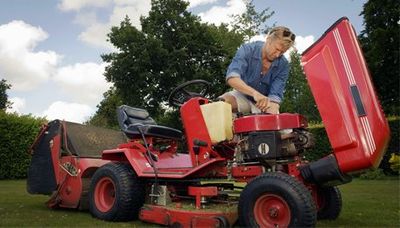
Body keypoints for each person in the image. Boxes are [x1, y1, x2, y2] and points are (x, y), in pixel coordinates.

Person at [220, 26, 296, 114]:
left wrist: (272, 110)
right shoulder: (247, 49)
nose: (278, 55)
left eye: (282, 52)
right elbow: (232, 78)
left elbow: (275, 96)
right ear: (268, 39)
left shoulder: (284, 65)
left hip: (266, 103)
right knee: (223, 103)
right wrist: (255, 94)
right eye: (277, 49)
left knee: (278, 123)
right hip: (243, 95)